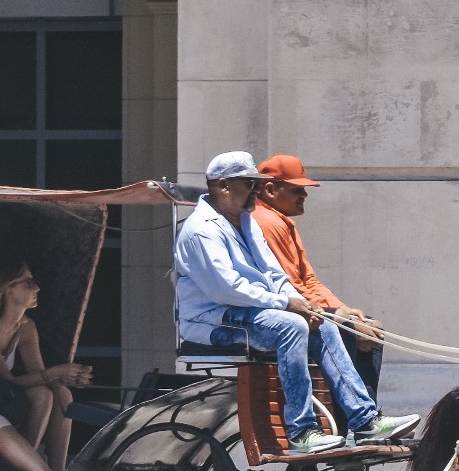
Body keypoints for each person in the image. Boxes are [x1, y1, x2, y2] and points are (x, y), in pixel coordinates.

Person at [173, 150, 417, 454]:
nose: (256, 190)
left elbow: (275, 274)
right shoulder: (201, 231)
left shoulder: (246, 221)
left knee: (322, 325)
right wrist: (288, 305)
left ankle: (364, 419)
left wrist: (306, 305)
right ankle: (302, 431)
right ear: (223, 186)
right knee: (292, 327)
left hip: (248, 311)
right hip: (212, 320)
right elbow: (227, 289)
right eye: (249, 183)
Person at [253, 153, 384, 395]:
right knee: (353, 331)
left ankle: (362, 416)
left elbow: (308, 280)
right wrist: (345, 319)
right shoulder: (267, 222)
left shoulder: (279, 221)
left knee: (368, 328)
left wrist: (345, 310)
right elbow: (289, 285)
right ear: (270, 189)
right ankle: (358, 423)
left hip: (297, 306)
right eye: (297, 190)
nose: (305, 195)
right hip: (280, 310)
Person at [0, 261, 93, 471]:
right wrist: (55, 373)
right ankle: (23, 470)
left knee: (61, 393)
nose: (37, 288)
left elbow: (39, 376)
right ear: (7, 289)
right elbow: (7, 381)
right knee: (42, 395)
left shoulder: (26, 328)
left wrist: (68, 378)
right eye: (29, 283)